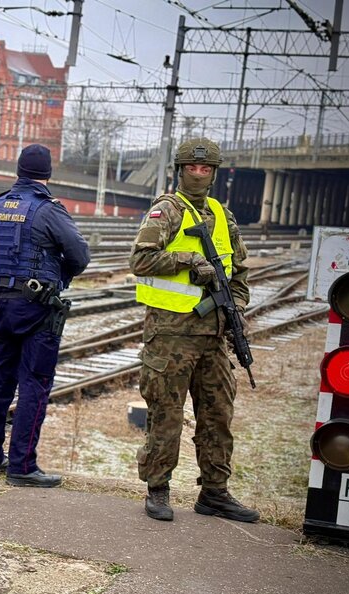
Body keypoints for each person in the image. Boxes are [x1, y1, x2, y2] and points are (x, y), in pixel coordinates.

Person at [130, 137, 259, 523]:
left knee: (218, 415)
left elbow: (239, 275)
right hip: (170, 337)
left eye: (205, 169)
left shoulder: (224, 216)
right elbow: (140, 258)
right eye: (192, 168)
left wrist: (234, 309)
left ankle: (215, 493)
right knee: (165, 414)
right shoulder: (166, 210)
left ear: (214, 173)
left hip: (214, 337)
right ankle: (158, 489)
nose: (199, 174)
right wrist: (189, 260)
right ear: (180, 170)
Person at [0, 143, 91, 487]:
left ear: (19, 170)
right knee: (34, 384)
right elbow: (80, 255)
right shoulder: (48, 210)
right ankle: (22, 466)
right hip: (37, 308)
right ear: (47, 173)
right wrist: (61, 276)